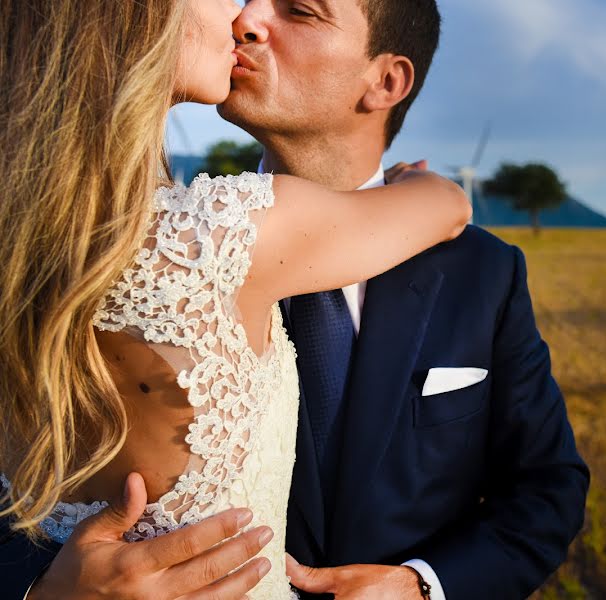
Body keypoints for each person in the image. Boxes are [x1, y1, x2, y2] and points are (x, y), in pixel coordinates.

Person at [0, 1, 472, 598]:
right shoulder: (217, 233)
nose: (242, 15)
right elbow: (451, 206)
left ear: (386, 81)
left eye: (300, 10)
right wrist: (429, 185)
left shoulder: (27, 243)